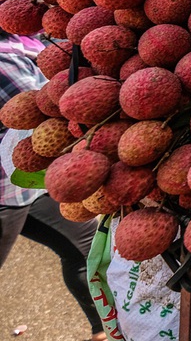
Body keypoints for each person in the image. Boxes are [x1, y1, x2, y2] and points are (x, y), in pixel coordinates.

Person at [0, 31, 105, 341]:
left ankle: (103, 330)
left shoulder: (27, 44)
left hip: (30, 185)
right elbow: (48, 116)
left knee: (85, 244)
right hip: (6, 193)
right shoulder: (5, 62)